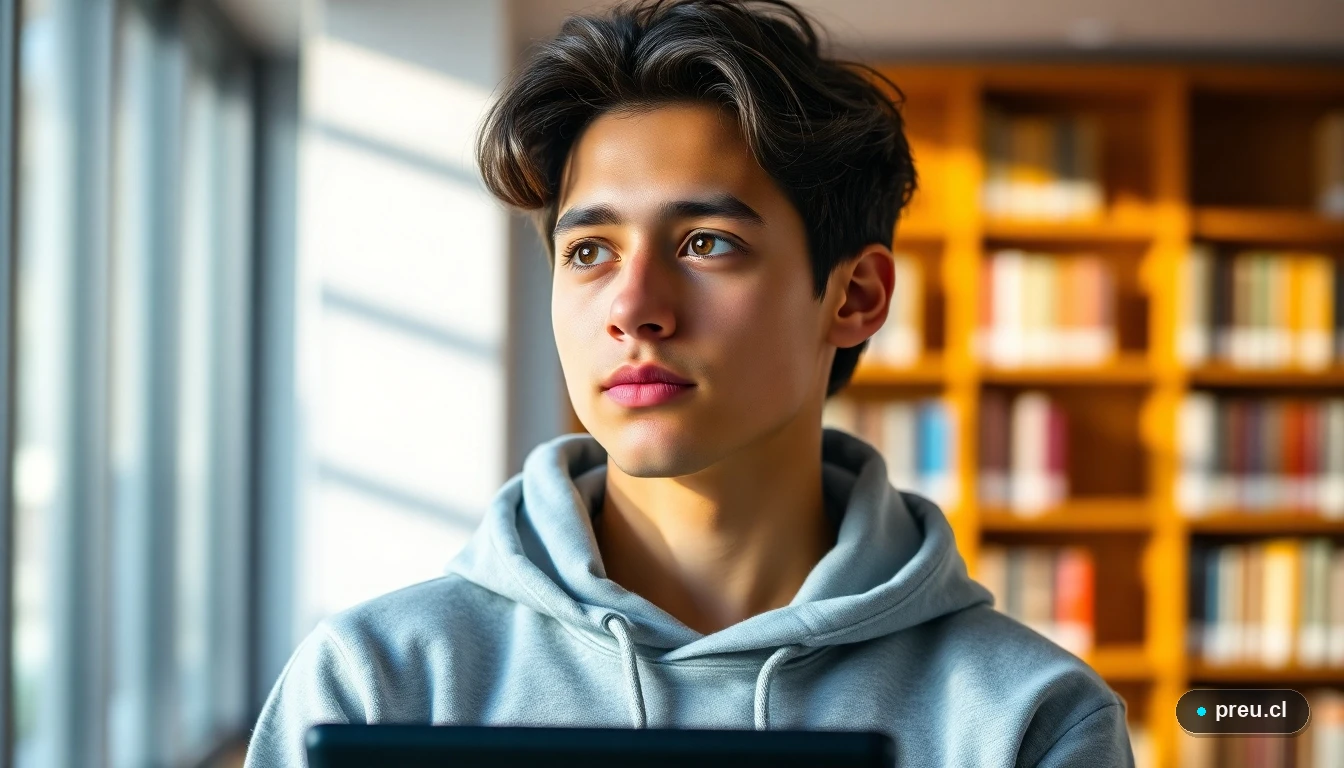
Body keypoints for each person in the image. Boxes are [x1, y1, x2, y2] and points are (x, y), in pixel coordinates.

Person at [244, 1, 1134, 765]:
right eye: (589, 252)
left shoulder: (1027, 721)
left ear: (854, 296)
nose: (633, 308)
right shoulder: (379, 684)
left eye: (706, 242)